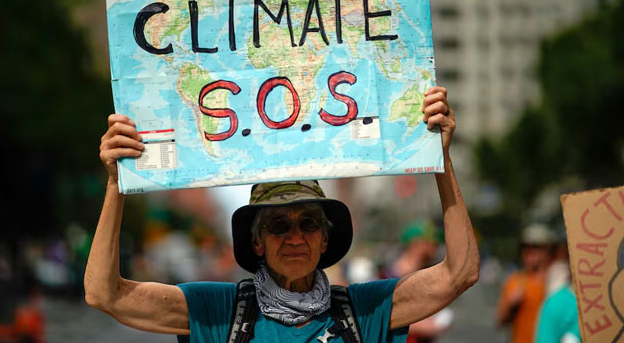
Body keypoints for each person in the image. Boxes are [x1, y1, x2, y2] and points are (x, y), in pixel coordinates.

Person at [84, 86, 480, 342]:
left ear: (325, 238)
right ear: (257, 240)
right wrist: (117, 183)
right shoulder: (218, 312)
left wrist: (440, 158)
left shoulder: (364, 310)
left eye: (308, 223)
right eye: (278, 225)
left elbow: (459, 273)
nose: (295, 237)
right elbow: (105, 294)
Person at [388, 220, 451, 343]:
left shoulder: (426, 274)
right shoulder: (389, 276)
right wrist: (424, 326)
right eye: (431, 242)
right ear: (416, 244)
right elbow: (384, 317)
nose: (436, 246)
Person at [496, 223, 555, 343]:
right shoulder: (516, 281)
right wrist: (510, 305)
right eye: (525, 246)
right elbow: (500, 320)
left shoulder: (557, 280)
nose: (529, 251)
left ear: (547, 249)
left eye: (535, 247)